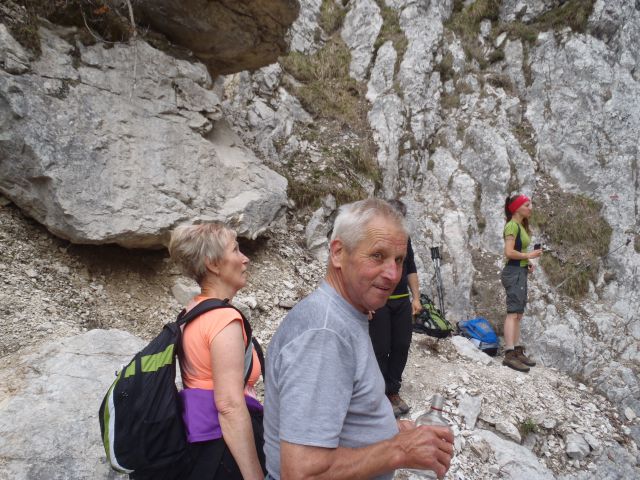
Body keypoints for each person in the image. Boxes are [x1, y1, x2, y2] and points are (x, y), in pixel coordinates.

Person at [263, 199, 454, 480]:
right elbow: (302, 472)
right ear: (338, 253)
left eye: (399, 260)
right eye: (378, 256)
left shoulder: (348, 314)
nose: (392, 274)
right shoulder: (325, 334)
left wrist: (389, 433)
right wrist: (397, 450)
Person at [168, 223, 265, 480]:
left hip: (201, 442)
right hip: (224, 448)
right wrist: (255, 475)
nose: (245, 259)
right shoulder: (223, 319)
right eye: (235, 250)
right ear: (213, 264)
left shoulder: (191, 311)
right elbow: (230, 405)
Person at [369, 199, 422, 417]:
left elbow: (410, 267)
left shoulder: (404, 239)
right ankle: (379, 393)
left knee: (401, 345)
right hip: (379, 300)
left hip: (402, 300)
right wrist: (365, 301)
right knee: (380, 348)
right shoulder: (374, 239)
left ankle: (393, 390)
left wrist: (416, 298)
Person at [501, 194, 542, 373]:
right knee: (512, 313)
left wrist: (528, 263)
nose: (530, 207)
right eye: (527, 204)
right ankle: (509, 353)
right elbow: (509, 252)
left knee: (518, 314)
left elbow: (518, 252)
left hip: (520, 271)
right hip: (513, 272)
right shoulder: (512, 225)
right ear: (517, 208)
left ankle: (516, 350)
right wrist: (528, 256)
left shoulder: (520, 226)